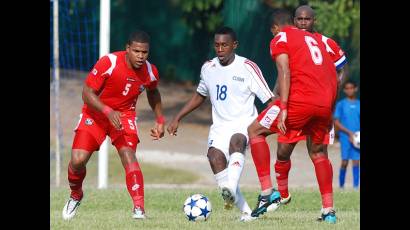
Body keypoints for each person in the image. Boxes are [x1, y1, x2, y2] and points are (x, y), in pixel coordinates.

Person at [167, 26, 274, 222]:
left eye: (225, 45)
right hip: (220, 126)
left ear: (235, 45)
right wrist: (177, 117)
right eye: (216, 45)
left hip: (244, 123)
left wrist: (272, 124)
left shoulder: (248, 67)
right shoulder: (208, 67)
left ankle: (230, 188)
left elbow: (269, 100)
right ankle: (246, 212)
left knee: (237, 142)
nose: (220, 49)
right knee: (214, 157)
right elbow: (200, 95)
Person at [62, 30, 165, 220]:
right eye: (136, 51)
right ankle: (76, 195)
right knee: (77, 160)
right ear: (127, 49)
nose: (141, 57)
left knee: (128, 155)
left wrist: (160, 120)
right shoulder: (109, 63)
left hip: (124, 116)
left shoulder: (150, 71)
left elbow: (153, 92)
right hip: (96, 113)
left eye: (145, 52)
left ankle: (139, 209)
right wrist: (107, 111)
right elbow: (86, 93)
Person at [247, 9, 338, 224]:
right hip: (324, 103)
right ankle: (328, 211)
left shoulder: (282, 37)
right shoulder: (319, 40)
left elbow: (284, 71)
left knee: (255, 131)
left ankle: (268, 193)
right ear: (295, 22)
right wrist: (330, 109)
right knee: (318, 153)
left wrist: (285, 106)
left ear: (275, 29)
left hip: (299, 102)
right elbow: (334, 73)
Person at [268, 4, 348, 215]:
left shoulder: (324, 41)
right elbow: (285, 72)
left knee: (304, 150)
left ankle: (283, 194)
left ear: (315, 21)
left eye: (307, 19)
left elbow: (342, 68)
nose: (303, 23)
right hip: (310, 102)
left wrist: (332, 92)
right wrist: (275, 95)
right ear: (294, 21)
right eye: (299, 19)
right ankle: (325, 208)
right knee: (295, 152)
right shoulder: (295, 39)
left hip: (305, 103)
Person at [334, 79, 360, 189]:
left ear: (356, 89)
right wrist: (349, 133)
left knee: (356, 162)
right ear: (344, 90)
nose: (349, 90)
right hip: (345, 137)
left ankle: (355, 187)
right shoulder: (341, 104)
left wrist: (356, 135)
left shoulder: (359, 104)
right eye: (347, 88)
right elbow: (336, 122)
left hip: (357, 138)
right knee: (344, 161)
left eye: (351, 88)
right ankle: (341, 187)